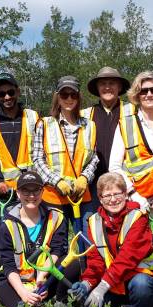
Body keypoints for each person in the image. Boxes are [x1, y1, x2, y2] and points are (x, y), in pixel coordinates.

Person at [70, 173, 153, 307]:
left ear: (126, 195)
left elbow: (126, 259)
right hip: (114, 285)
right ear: (100, 199)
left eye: (117, 194)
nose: (113, 200)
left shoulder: (138, 218)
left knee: (141, 286)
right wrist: (86, 284)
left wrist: (100, 288)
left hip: (141, 280)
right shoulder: (93, 222)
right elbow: (96, 262)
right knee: (88, 305)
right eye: (107, 196)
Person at [109, 70, 153, 261]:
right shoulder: (125, 124)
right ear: (137, 95)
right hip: (136, 200)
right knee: (137, 248)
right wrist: (134, 195)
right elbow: (114, 166)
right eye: (143, 91)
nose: (149, 94)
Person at [0, 72, 39, 286]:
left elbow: (40, 149)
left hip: (30, 189)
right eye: (1, 93)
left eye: (10, 92)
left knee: (30, 233)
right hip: (3, 191)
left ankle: (29, 277)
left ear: (18, 91)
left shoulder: (32, 117)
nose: (6, 97)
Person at [0, 171, 76, 307]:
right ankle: (29, 306)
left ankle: (60, 301)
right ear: (18, 193)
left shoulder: (56, 217)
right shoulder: (6, 225)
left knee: (73, 264)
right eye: (25, 191)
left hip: (43, 278)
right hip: (16, 280)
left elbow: (58, 249)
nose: (31, 196)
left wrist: (42, 278)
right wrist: (23, 293)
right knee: (17, 302)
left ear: (42, 192)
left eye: (36, 190)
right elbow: (8, 265)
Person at [32, 76, 98, 235]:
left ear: (78, 97)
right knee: (56, 244)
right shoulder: (44, 124)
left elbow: (94, 158)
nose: (69, 99)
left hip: (82, 196)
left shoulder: (90, 125)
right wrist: (57, 182)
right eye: (64, 95)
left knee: (87, 242)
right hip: (54, 196)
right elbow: (37, 159)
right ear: (57, 97)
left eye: (73, 95)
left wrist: (84, 178)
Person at [81, 67, 136, 220]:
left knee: (125, 227)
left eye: (112, 83)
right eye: (103, 83)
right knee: (93, 226)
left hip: (123, 183)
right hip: (93, 184)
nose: (107, 87)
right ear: (97, 88)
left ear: (119, 87)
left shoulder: (132, 110)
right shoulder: (86, 114)